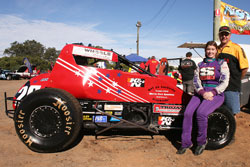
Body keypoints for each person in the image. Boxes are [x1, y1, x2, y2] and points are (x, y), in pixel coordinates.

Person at [177, 41, 230, 156]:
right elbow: (196, 81)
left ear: (216, 51)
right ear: (205, 51)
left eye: (212, 49)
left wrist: (213, 92)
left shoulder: (222, 63)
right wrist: (202, 92)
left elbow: (225, 81)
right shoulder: (200, 64)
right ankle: (186, 143)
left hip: (216, 94)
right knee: (187, 113)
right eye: (208, 49)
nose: (210, 51)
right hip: (200, 93)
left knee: (201, 113)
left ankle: (201, 142)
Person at [217, 26, 249, 116]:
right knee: (220, 112)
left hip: (231, 88)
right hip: (218, 87)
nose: (224, 36)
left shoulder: (236, 48)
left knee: (231, 114)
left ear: (230, 35)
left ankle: (232, 130)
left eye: (226, 34)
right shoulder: (217, 49)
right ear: (219, 35)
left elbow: (245, 68)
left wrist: (236, 80)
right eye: (222, 34)